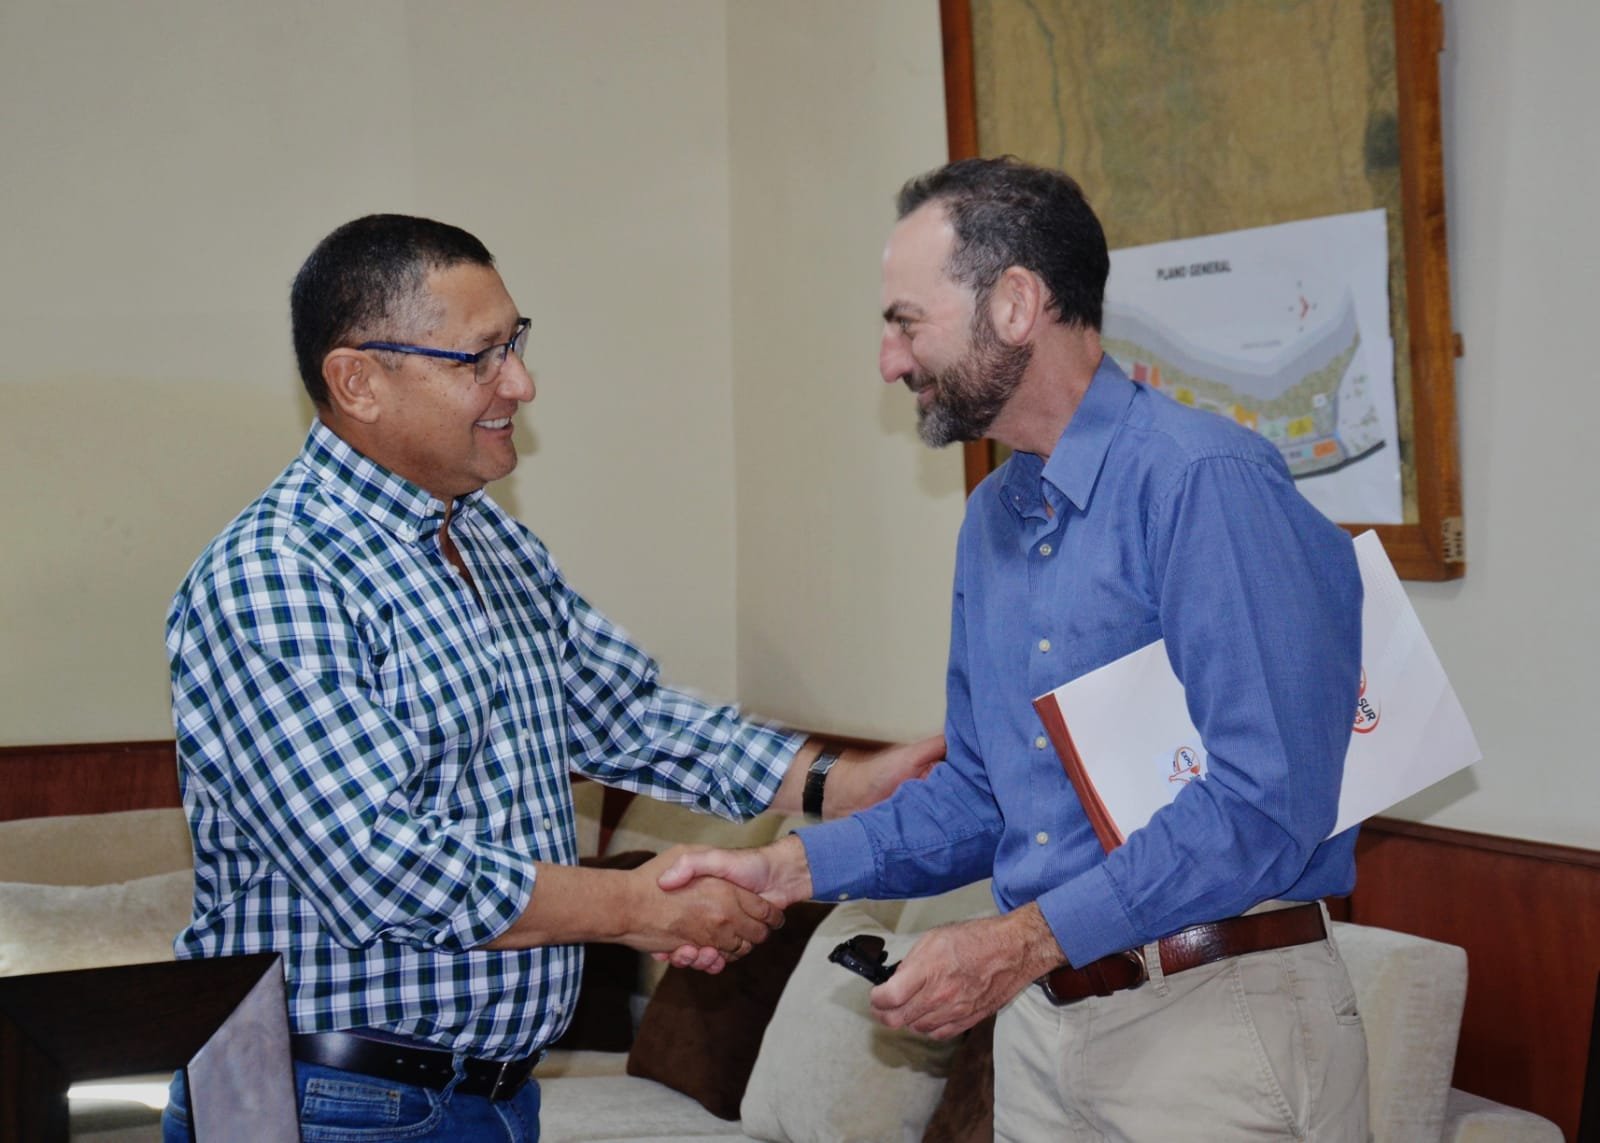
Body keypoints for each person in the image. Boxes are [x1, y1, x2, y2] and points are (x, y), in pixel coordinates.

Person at [161, 213, 942, 1142]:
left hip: (489, 1098)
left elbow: (628, 714)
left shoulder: (490, 540)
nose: (521, 383)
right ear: (358, 381)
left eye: (516, 343)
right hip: (330, 1102)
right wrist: (634, 906)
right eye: (479, 358)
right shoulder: (276, 571)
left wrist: (839, 783)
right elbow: (379, 863)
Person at [662, 157, 1371, 1140]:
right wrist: (786, 872)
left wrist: (1021, 942)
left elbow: (1265, 803)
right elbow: (984, 795)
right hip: (1043, 1033)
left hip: (1217, 1026)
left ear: (1016, 304)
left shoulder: (1203, 480)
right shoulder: (994, 516)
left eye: (906, 321)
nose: (889, 361)